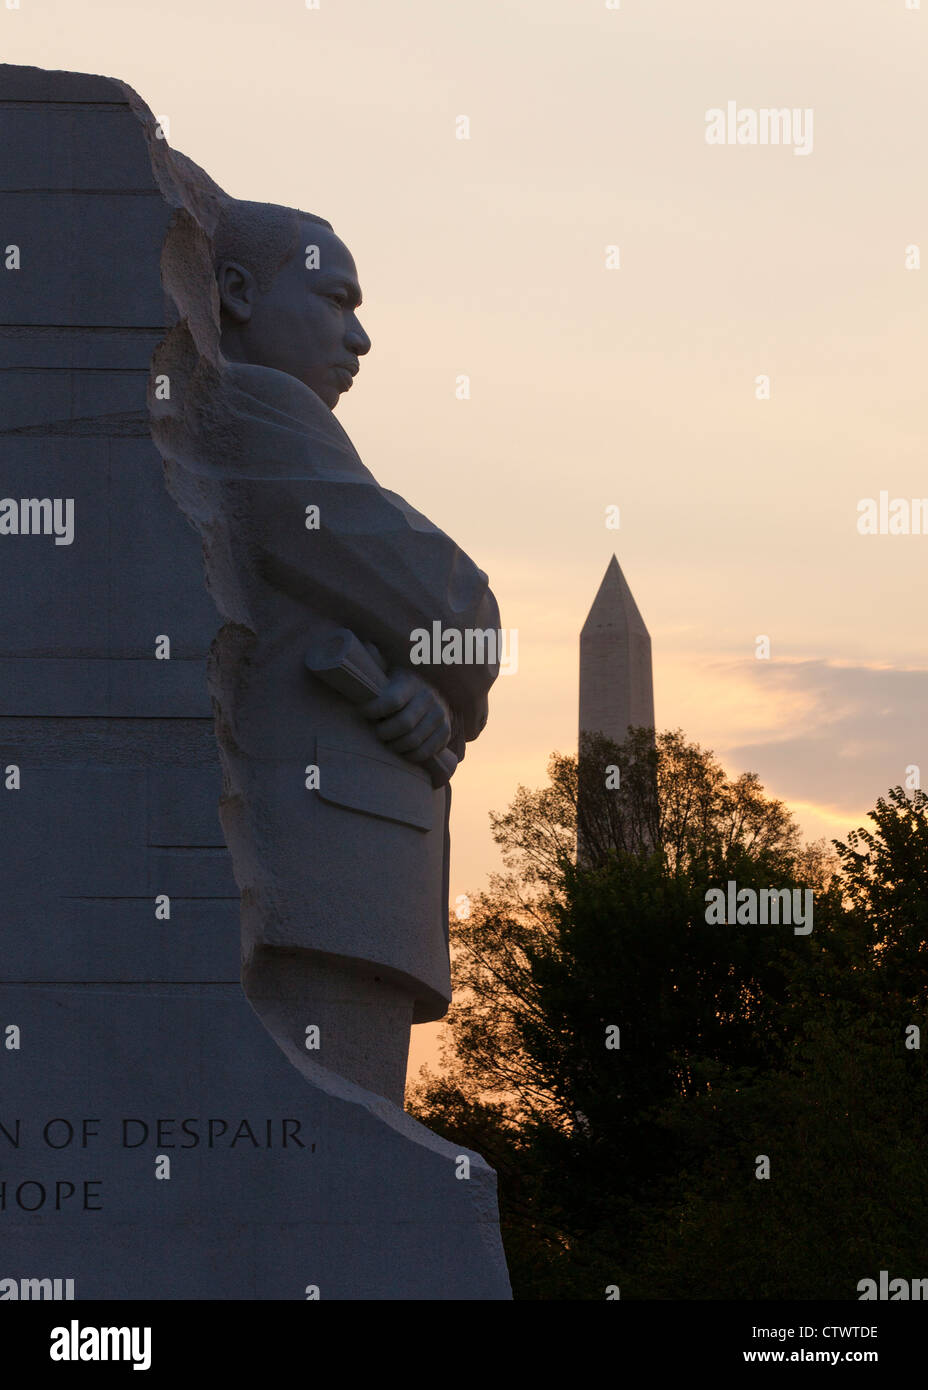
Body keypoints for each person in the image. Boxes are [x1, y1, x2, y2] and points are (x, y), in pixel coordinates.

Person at [154, 199, 500, 1105]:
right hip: (325, 869)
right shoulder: (253, 403)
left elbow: (426, 634)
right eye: (336, 300)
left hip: (345, 872)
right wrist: (453, 655)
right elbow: (451, 605)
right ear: (232, 291)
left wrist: (427, 689)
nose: (361, 339)